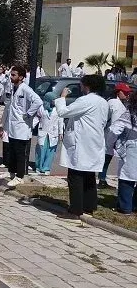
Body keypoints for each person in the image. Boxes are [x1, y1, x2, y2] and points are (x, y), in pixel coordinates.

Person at [54, 74, 109, 220]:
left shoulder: (85, 100)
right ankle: (89, 207)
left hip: (81, 143)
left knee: (76, 176)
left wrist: (62, 97)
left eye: (81, 84)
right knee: (89, 175)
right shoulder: (103, 102)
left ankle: (75, 210)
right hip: (94, 141)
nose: (80, 86)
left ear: (87, 86)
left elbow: (63, 112)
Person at [0, 65, 42, 186]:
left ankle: (19, 176)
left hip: (22, 126)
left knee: (19, 153)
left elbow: (38, 101)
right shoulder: (14, 88)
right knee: (12, 150)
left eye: (14, 75)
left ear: (21, 77)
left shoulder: (25, 89)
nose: (11, 77)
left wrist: (29, 114)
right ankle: (11, 173)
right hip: (13, 125)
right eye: (11, 75)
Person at [107, 89, 137, 214]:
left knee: (126, 177)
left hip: (132, 147)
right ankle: (134, 205)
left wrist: (110, 143)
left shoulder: (130, 114)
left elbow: (115, 130)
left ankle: (125, 207)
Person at [100, 83, 131, 188]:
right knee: (107, 157)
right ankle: (102, 179)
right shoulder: (116, 104)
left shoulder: (113, 102)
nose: (127, 95)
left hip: (108, 133)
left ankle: (102, 179)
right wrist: (114, 140)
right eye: (125, 93)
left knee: (106, 157)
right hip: (111, 134)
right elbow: (115, 123)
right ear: (119, 92)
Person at [34, 92, 62, 175]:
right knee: (40, 150)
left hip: (53, 133)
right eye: (53, 100)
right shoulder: (41, 108)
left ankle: (46, 168)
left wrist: (61, 133)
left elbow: (61, 121)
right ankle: (39, 167)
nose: (54, 101)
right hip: (43, 132)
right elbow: (37, 118)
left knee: (50, 151)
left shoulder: (58, 109)